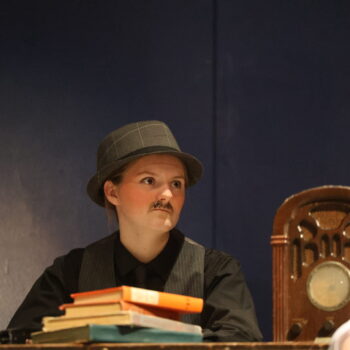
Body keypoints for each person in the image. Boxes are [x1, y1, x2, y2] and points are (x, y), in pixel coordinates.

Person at [7, 120, 262, 342]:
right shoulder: (70, 273)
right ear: (112, 192)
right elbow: (19, 339)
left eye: (177, 183)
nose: (167, 194)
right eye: (149, 181)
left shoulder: (217, 271)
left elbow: (239, 340)